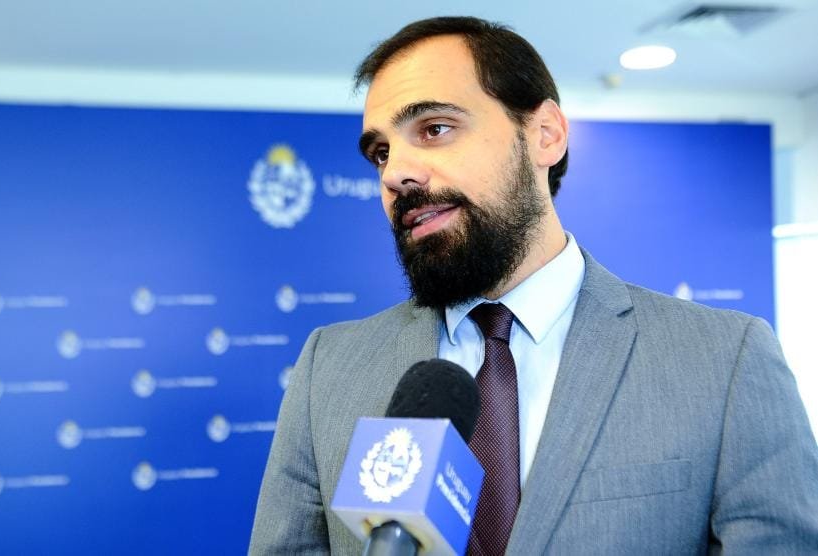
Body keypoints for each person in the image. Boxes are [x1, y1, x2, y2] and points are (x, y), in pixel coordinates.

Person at [249, 16, 818, 555]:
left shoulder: (724, 360)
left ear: (546, 134)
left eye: (435, 128)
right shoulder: (329, 369)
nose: (396, 173)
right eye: (381, 153)